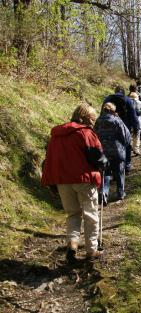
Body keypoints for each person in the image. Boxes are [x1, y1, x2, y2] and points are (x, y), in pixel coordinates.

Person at [41, 103, 107, 261]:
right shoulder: (85, 133)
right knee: (90, 214)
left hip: (63, 180)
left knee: (73, 214)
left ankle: (72, 244)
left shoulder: (56, 135)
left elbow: (49, 159)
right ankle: (92, 250)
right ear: (84, 117)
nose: (93, 123)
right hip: (83, 179)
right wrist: (105, 162)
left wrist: (51, 182)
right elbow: (97, 157)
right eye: (92, 119)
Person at [94, 102, 131, 203]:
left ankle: (103, 193)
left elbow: (94, 135)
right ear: (112, 111)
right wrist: (124, 145)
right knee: (119, 172)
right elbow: (126, 136)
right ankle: (120, 193)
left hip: (103, 152)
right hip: (117, 151)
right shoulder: (116, 120)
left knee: (105, 172)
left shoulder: (98, 121)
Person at [102, 86, 139, 173]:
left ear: (115, 91)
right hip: (125, 126)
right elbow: (133, 116)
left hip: (109, 126)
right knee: (127, 145)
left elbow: (102, 113)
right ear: (123, 92)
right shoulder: (128, 100)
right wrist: (136, 128)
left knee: (110, 145)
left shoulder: (108, 99)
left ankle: (110, 167)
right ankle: (127, 165)